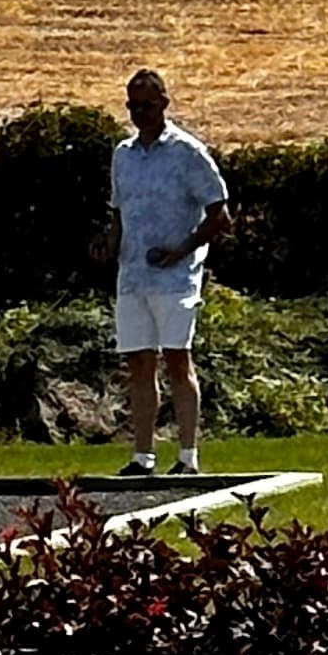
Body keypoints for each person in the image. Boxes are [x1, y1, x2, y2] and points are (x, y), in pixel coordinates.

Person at [97, 65, 229, 478]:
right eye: (133, 107)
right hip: (132, 275)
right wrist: (109, 248)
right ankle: (143, 456)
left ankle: (187, 456)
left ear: (165, 104)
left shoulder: (187, 152)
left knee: (176, 360)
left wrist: (182, 250)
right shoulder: (123, 155)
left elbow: (219, 214)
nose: (140, 114)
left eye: (148, 106)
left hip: (175, 277)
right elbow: (119, 212)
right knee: (138, 363)